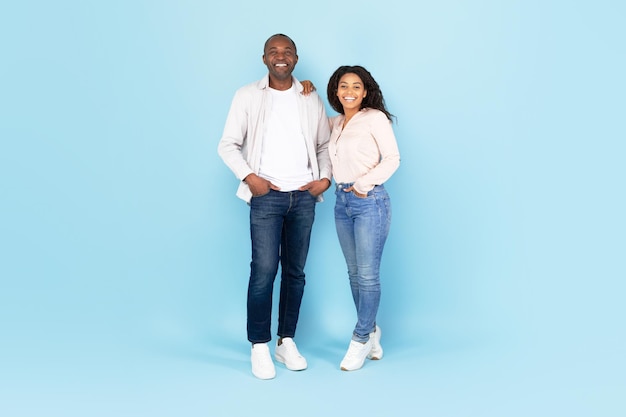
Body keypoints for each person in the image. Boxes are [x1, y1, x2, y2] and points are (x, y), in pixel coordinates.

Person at [217, 34, 332, 380]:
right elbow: (228, 145)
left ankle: (286, 341)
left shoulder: (309, 96)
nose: (280, 57)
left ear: (296, 58)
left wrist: (323, 179)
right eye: (273, 52)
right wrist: (250, 177)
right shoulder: (247, 95)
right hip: (266, 196)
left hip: (303, 197)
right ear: (264, 58)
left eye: (287, 52)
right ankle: (259, 345)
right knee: (264, 270)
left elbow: (324, 144)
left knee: (295, 272)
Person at [326, 65, 400, 371]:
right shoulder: (336, 123)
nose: (350, 92)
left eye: (356, 86)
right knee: (354, 274)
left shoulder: (375, 118)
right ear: (336, 91)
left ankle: (359, 339)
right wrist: (302, 87)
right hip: (341, 202)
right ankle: (371, 331)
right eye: (344, 86)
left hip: (369, 201)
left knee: (368, 275)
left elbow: (393, 158)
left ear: (365, 91)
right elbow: (306, 120)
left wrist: (362, 185)